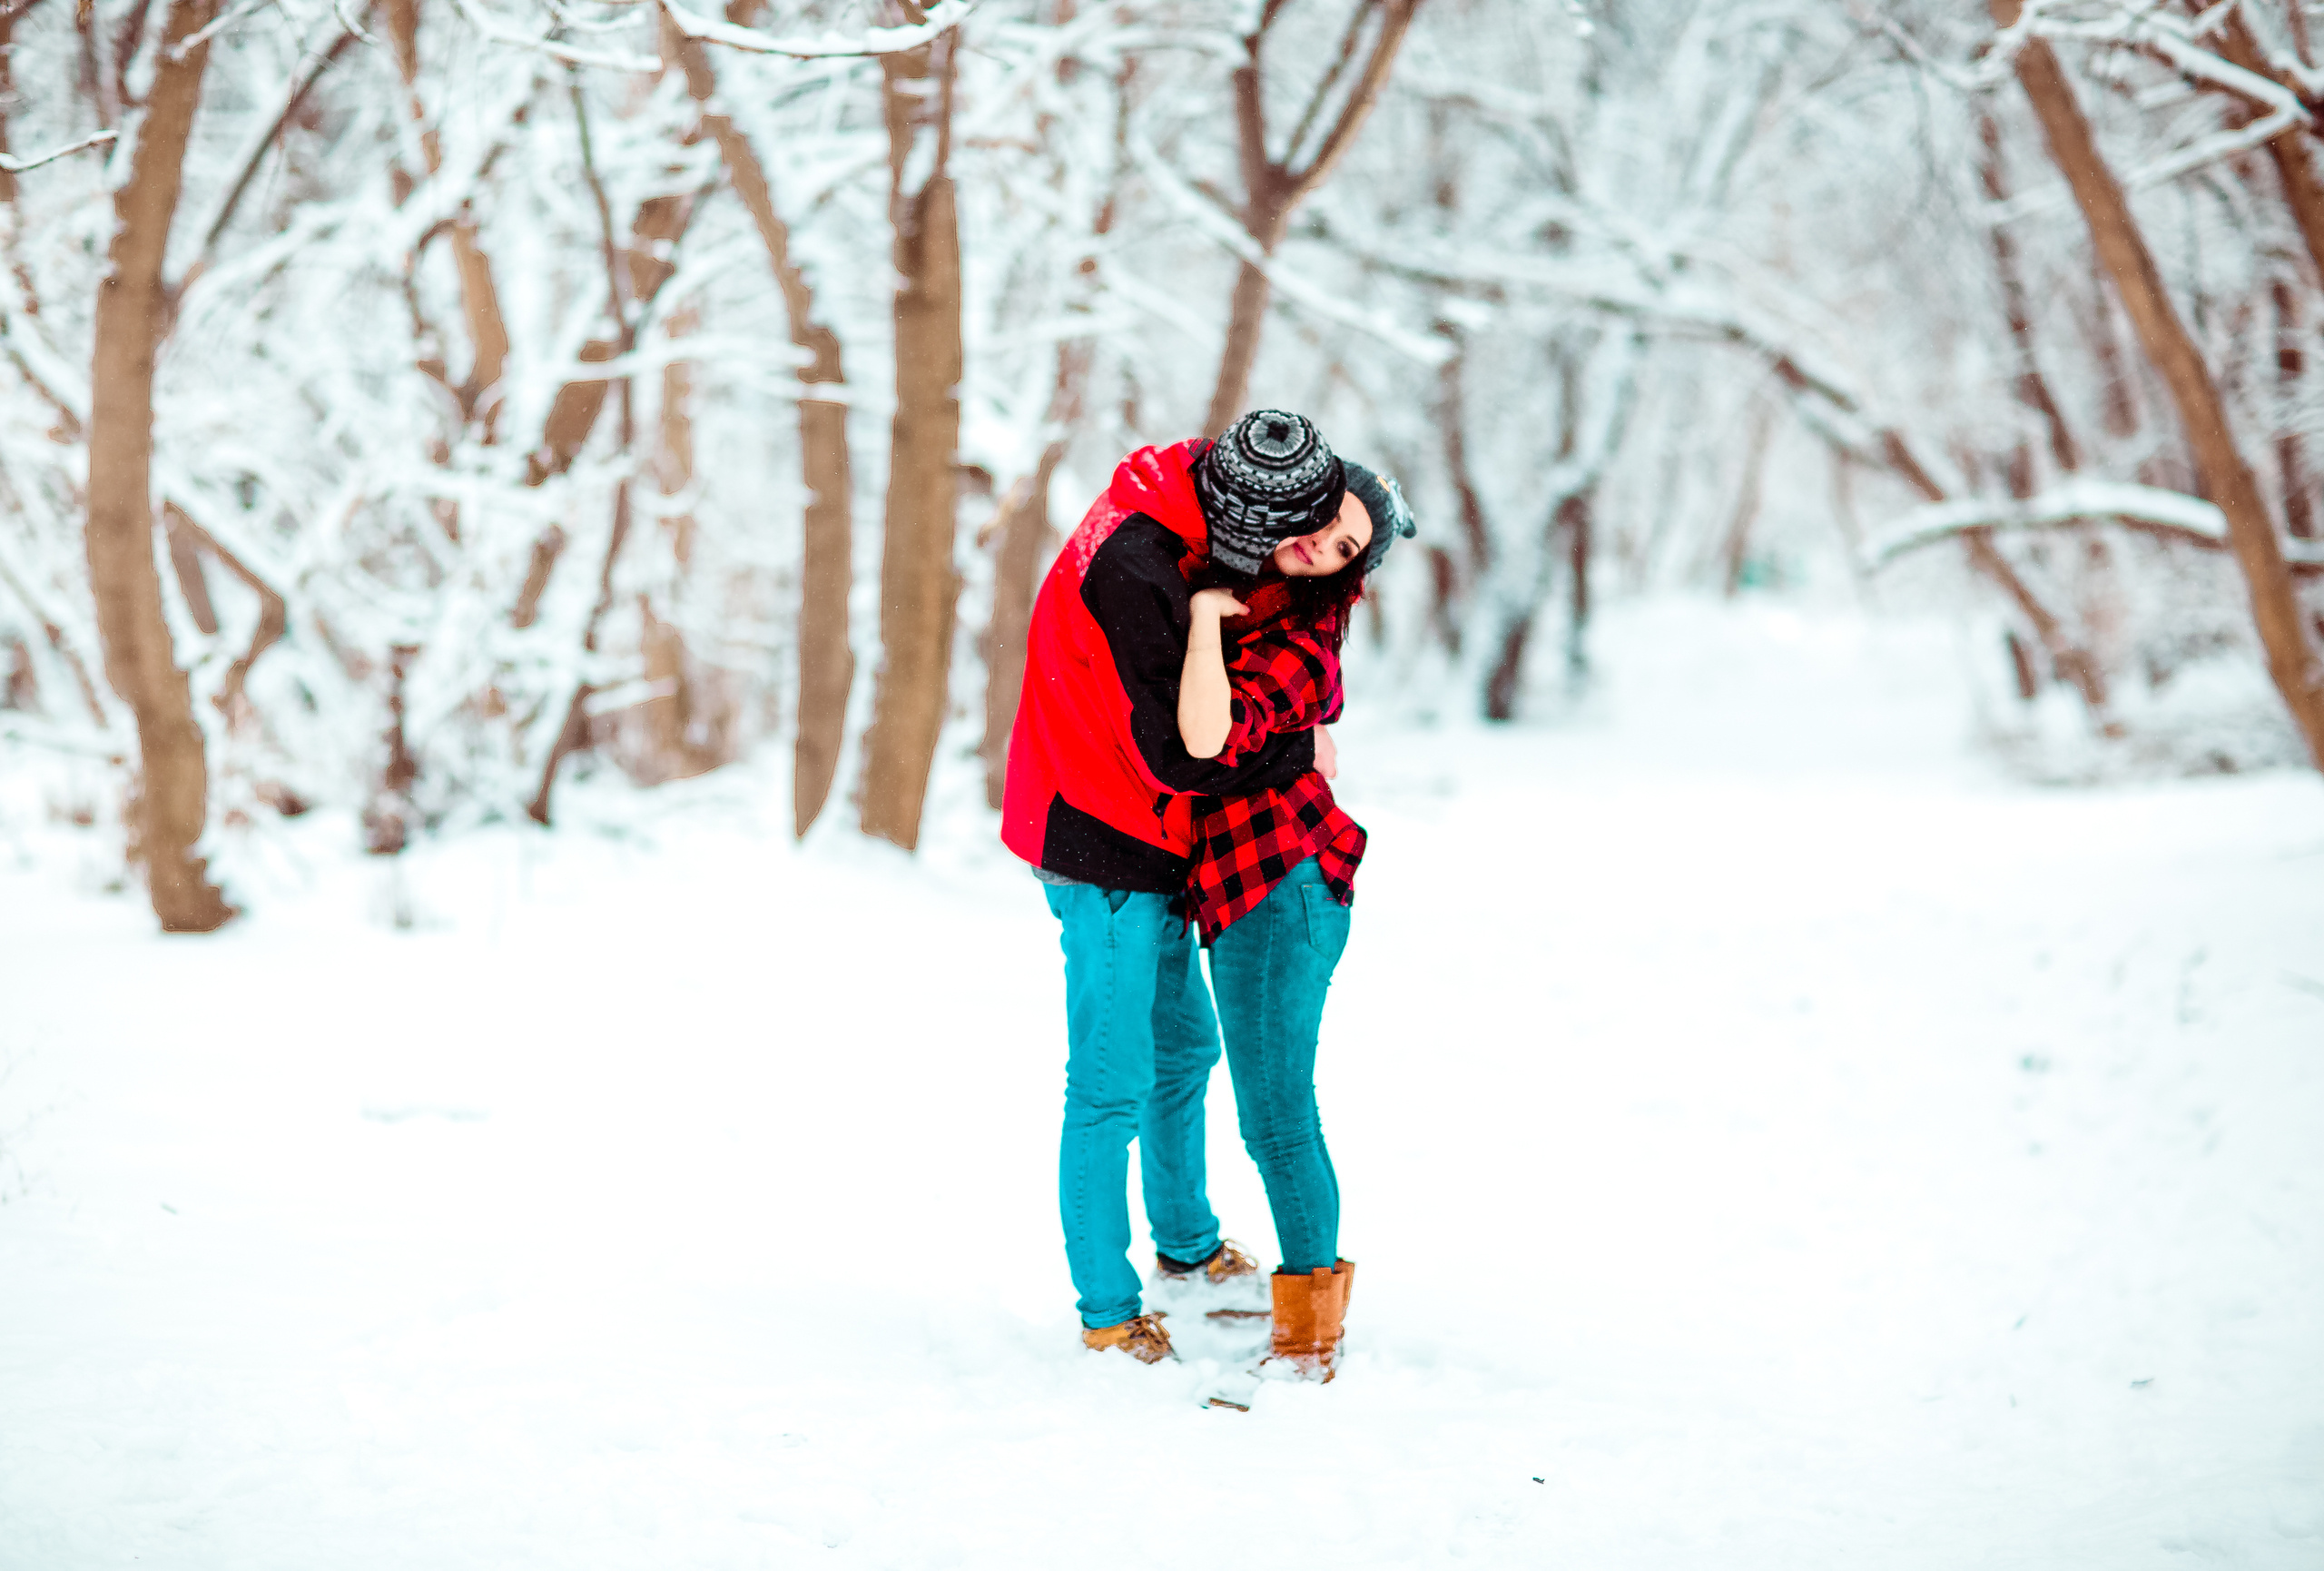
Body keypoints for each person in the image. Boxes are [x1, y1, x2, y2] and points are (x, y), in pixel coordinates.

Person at [1001, 410, 1415, 1379]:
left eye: (1333, 533)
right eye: (1310, 524)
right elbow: (1184, 755)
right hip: (1102, 835)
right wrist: (1300, 744)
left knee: (1183, 1045)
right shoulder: (1144, 565)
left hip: (1160, 835)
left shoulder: (1208, 511)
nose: (1303, 543)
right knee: (1108, 1076)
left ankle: (1185, 1239)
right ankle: (1108, 1310)